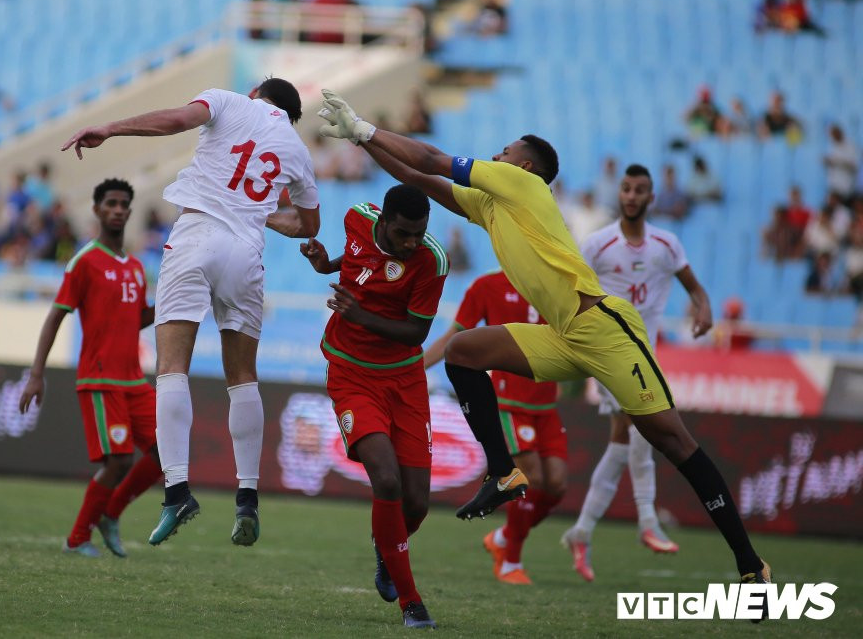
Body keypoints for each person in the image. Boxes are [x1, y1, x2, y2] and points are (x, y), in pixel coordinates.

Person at [316, 90, 772, 602]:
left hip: (602, 328)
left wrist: (365, 128)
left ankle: (750, 564)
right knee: (463, 353)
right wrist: (362, 142)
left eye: (507, 150)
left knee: (672, 441)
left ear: (526, 166)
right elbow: (420, 179)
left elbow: (433, 159)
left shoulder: (521, 185)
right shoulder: (494, 205)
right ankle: (502, 471)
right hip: (561, 334)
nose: (499, 153)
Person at [62, 77, 320, 548]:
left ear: (256, 93)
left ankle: (177, 492)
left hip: (197, 234)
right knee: (243, 377)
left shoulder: (228, 101)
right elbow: (308, 225)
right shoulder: (297, 150)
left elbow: (177, 120)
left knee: (171, 368)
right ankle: (247, 498)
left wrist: (111, 128)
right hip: (245, 252)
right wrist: (257, 213)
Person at [298, 184, 446, 628]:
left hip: (405, 381)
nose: (412, 243)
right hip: (351, 374)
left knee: (415, 503)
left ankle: (386, 544)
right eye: (403, 233)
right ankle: (411, 603)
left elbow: (417, 333)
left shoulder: (431, 260)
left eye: (419, 233)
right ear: (383, 221)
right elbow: (359, 260)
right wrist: (327, 265)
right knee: (386, 478)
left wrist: (360, 314)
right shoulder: (356, 218)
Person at [561, 164, 714, 582]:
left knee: (621, 442)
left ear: (651, 197)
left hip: (645, 355)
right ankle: (647, 519)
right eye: (626, 189)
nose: (631, 195)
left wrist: (704, 307)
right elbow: (569, 288)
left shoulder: (666, 244)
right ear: (619, 194)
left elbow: (695, 287)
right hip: (609, 353)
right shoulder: (598, 244)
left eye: (639, 190)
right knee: (643, 427)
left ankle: (581, 531)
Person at [18, 179, 163, 558]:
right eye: (110, 203)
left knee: (168, 452)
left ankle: (110, 514)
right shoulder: (84, 261)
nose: (117, 210)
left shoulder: (136, 267)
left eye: (123, 204)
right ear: (97, 210)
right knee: (119, 461)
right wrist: (36, 374)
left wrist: (170, 303)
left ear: (130, 212)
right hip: (100, 379)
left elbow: (136, 320)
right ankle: (77, 538)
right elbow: (55, 316)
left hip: (133, 380)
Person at [425, 270, 567, 585]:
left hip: (546, 402)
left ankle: (502, 537)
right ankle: (510, 562)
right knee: (531, 478)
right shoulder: (487, 286)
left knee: (557, 485)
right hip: (510, 401)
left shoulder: (557, 284)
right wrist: (417, 366)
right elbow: (455, 336)